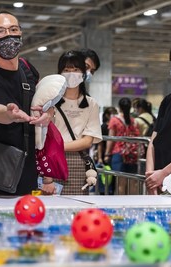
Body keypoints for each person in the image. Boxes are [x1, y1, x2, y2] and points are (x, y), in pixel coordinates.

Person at [0, 11, 52, 196]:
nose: (8, 35)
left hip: (27, 171)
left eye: (13, 29)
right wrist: (9, 114)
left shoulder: (27, 68)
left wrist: (49, 115)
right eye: (0, 31)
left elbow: (45, 102)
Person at [51, 50, 102, 195]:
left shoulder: (91, 104)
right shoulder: (50, 101)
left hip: (77, 162)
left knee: (77, 208)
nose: (71, 74)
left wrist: (56, 147)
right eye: (66, 70)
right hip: (51, 162)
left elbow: (87, 141)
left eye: (76, 69)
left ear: (83, 73)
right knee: (50, 208)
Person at [145, 38, 171, 194]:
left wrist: (163, 174)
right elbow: (153, 142)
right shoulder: (168, 100)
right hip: (158, 181)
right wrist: (151, 177)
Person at [105, 98, 140, 194]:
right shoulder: (134, 121)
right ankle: (133, 206)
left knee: (120, 183)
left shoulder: (114, 120)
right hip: (132, 155)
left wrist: (107, 154)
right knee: (133, 182)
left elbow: (111, 139)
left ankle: (122, 206)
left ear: (119, 107)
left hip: (119, 154)